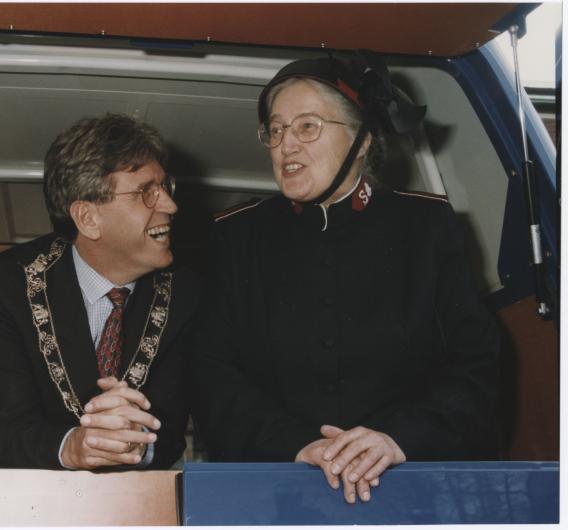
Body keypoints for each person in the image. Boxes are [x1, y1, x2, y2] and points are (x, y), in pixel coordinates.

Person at [192, 55, 499, 503]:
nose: (285, 146)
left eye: (307, 127)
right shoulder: (236, 236)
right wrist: (297, 446)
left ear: (362, 139)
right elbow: (212, 372)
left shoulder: (427, 227)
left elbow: (477, 365)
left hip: (409, 488)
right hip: (274, 489)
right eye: (275, 131)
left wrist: (396, 439)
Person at [0, 113, 198, 470]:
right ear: (88, 218)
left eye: (165, 188)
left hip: (112, 505)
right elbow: (7, 426)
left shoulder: (186, 296)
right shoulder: (4, 285)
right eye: (147, 193)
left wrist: (139, 448)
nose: (171, 206)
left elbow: (170, 428)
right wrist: (74, 448)